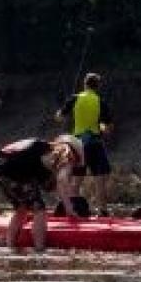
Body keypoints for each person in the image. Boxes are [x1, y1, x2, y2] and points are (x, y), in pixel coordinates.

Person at [0, 134, 82, 253]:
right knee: (40, 210)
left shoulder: (45, 149)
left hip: (0, 169)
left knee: (22, 208)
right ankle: (39, 250)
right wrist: (69, 209)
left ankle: (10, 247)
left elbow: (51, 184)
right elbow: (61, 181)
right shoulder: (67, 154)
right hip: (14, 171)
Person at [56, 72, 115, 215]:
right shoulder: (100, 101)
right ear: (97, 86)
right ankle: (102, 211)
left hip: (78, 145)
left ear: (85, 84)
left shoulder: (75, 98)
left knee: (77, 179)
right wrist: (100, 126)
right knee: (99, 178)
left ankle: (73, 210)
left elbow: (59, 117)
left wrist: (62, 112)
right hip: (95, 143)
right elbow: (108, 129)